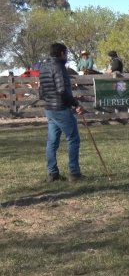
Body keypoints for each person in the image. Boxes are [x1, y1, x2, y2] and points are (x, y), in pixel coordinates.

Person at [39, 43, 85, 182]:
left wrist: (51, 99)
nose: (67, 56)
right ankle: (74, 173)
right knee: (73, 139)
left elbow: (41, 92)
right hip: (61, 108)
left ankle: (53, 173)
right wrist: (75, 103)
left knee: (52, 142)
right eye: (66, 53)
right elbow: (61, 90)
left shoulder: (44, 68)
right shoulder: (59, 67)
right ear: (62, 53)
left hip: (49, 109)